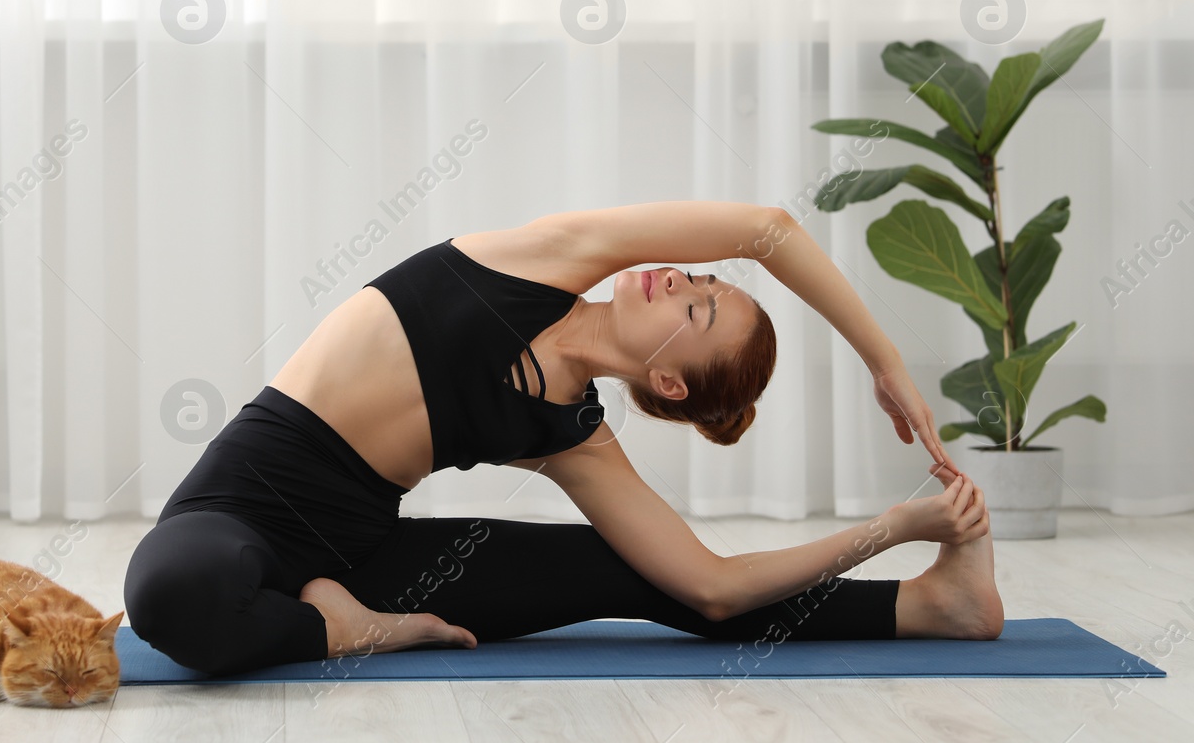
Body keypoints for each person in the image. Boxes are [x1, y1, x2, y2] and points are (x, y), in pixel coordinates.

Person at [124, 201, 1003, 676]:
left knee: (646, 578)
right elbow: (768, 229)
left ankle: (932, 607)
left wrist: (890, 527)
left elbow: (714, 588)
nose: (681, 280)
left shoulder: (573, 436)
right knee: (168, 592)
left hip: (368, 558)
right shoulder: (543, 259)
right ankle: (338, 632)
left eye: (698, 309)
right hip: (240, 508)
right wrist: (885, 361)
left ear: (669, 380)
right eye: (701, 279)